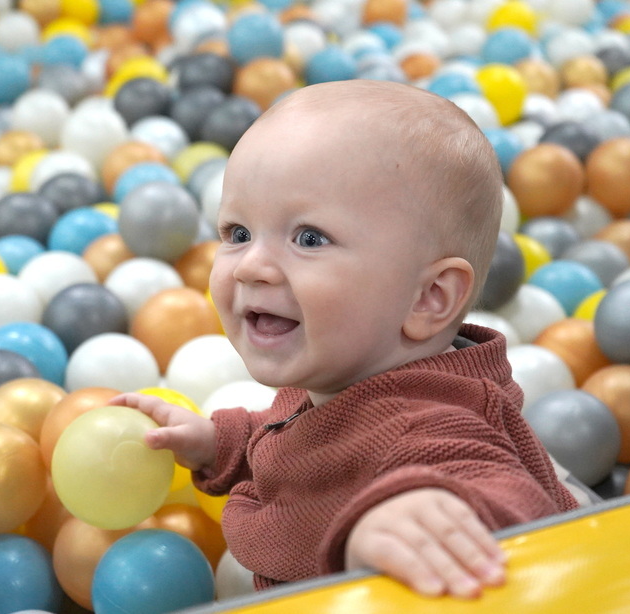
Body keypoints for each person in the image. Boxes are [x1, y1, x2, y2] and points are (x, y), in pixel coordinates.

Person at [111, 79, 578, 599]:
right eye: (238, 233)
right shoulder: (341, 368)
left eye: (309, 238)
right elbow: (299, 440)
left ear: (428, 298)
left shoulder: (428, 426)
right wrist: (219, 443)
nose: (251, 266)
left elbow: (514, 511)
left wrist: (412, 510)